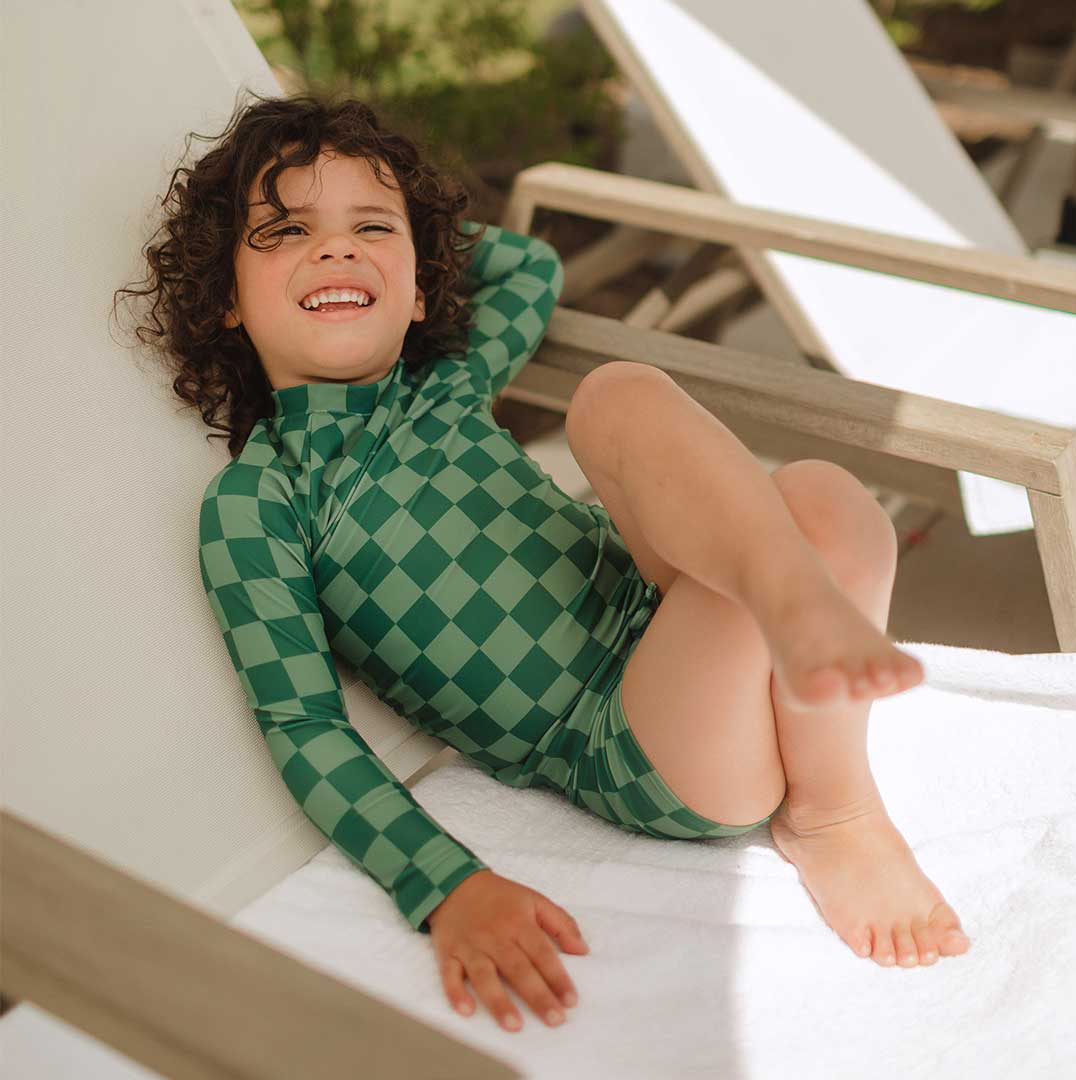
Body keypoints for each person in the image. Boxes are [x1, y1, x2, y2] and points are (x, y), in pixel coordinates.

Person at [122, 88, 969, 1037]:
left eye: (370, 227)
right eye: (286, 232)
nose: (336, 250)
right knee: (687, 436)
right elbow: (305, 726)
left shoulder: (446, 383)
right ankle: (832, 804)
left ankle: (802, 654)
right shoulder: (261, 500)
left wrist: (418, 242)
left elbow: (528, 265)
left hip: (675, 609)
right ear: (224, 299)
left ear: (421, 288)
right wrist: (446, 884)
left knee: (775, 472)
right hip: (634, 736)